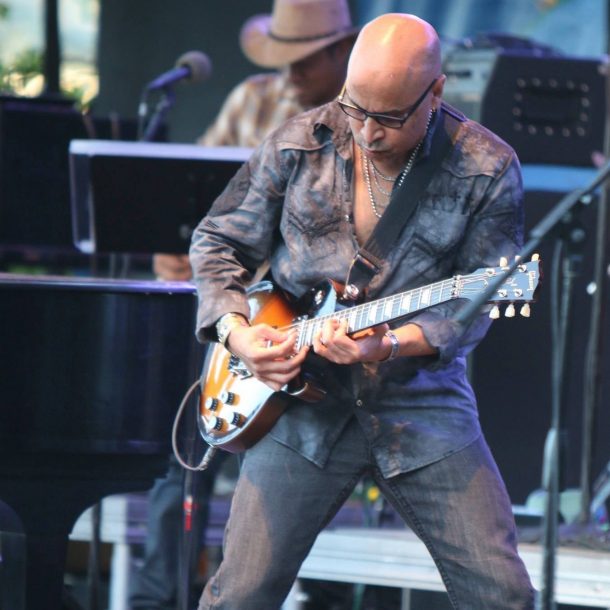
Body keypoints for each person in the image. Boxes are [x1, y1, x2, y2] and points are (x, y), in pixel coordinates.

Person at [189, 12, 536, 610]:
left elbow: (477, 298)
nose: (369, 132)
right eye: (356, 108)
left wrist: (392, 343)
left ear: (436, 91)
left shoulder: (486, 165)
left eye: (390, 117)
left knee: (501, 593)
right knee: (240, 596)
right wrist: (237, 334)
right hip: (297, 403)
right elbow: (218, 241)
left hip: (420, 402)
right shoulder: (298, 142)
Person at [129, 1, 357, 609]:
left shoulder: (365, 123)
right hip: (239, 316)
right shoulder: (254, 99)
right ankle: (161, 593)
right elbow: (201, 199)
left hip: (307, 325)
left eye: (305, 59)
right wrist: (185, 256)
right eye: (284, 57)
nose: (290, 72)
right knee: (187, 451)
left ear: (342, 51)